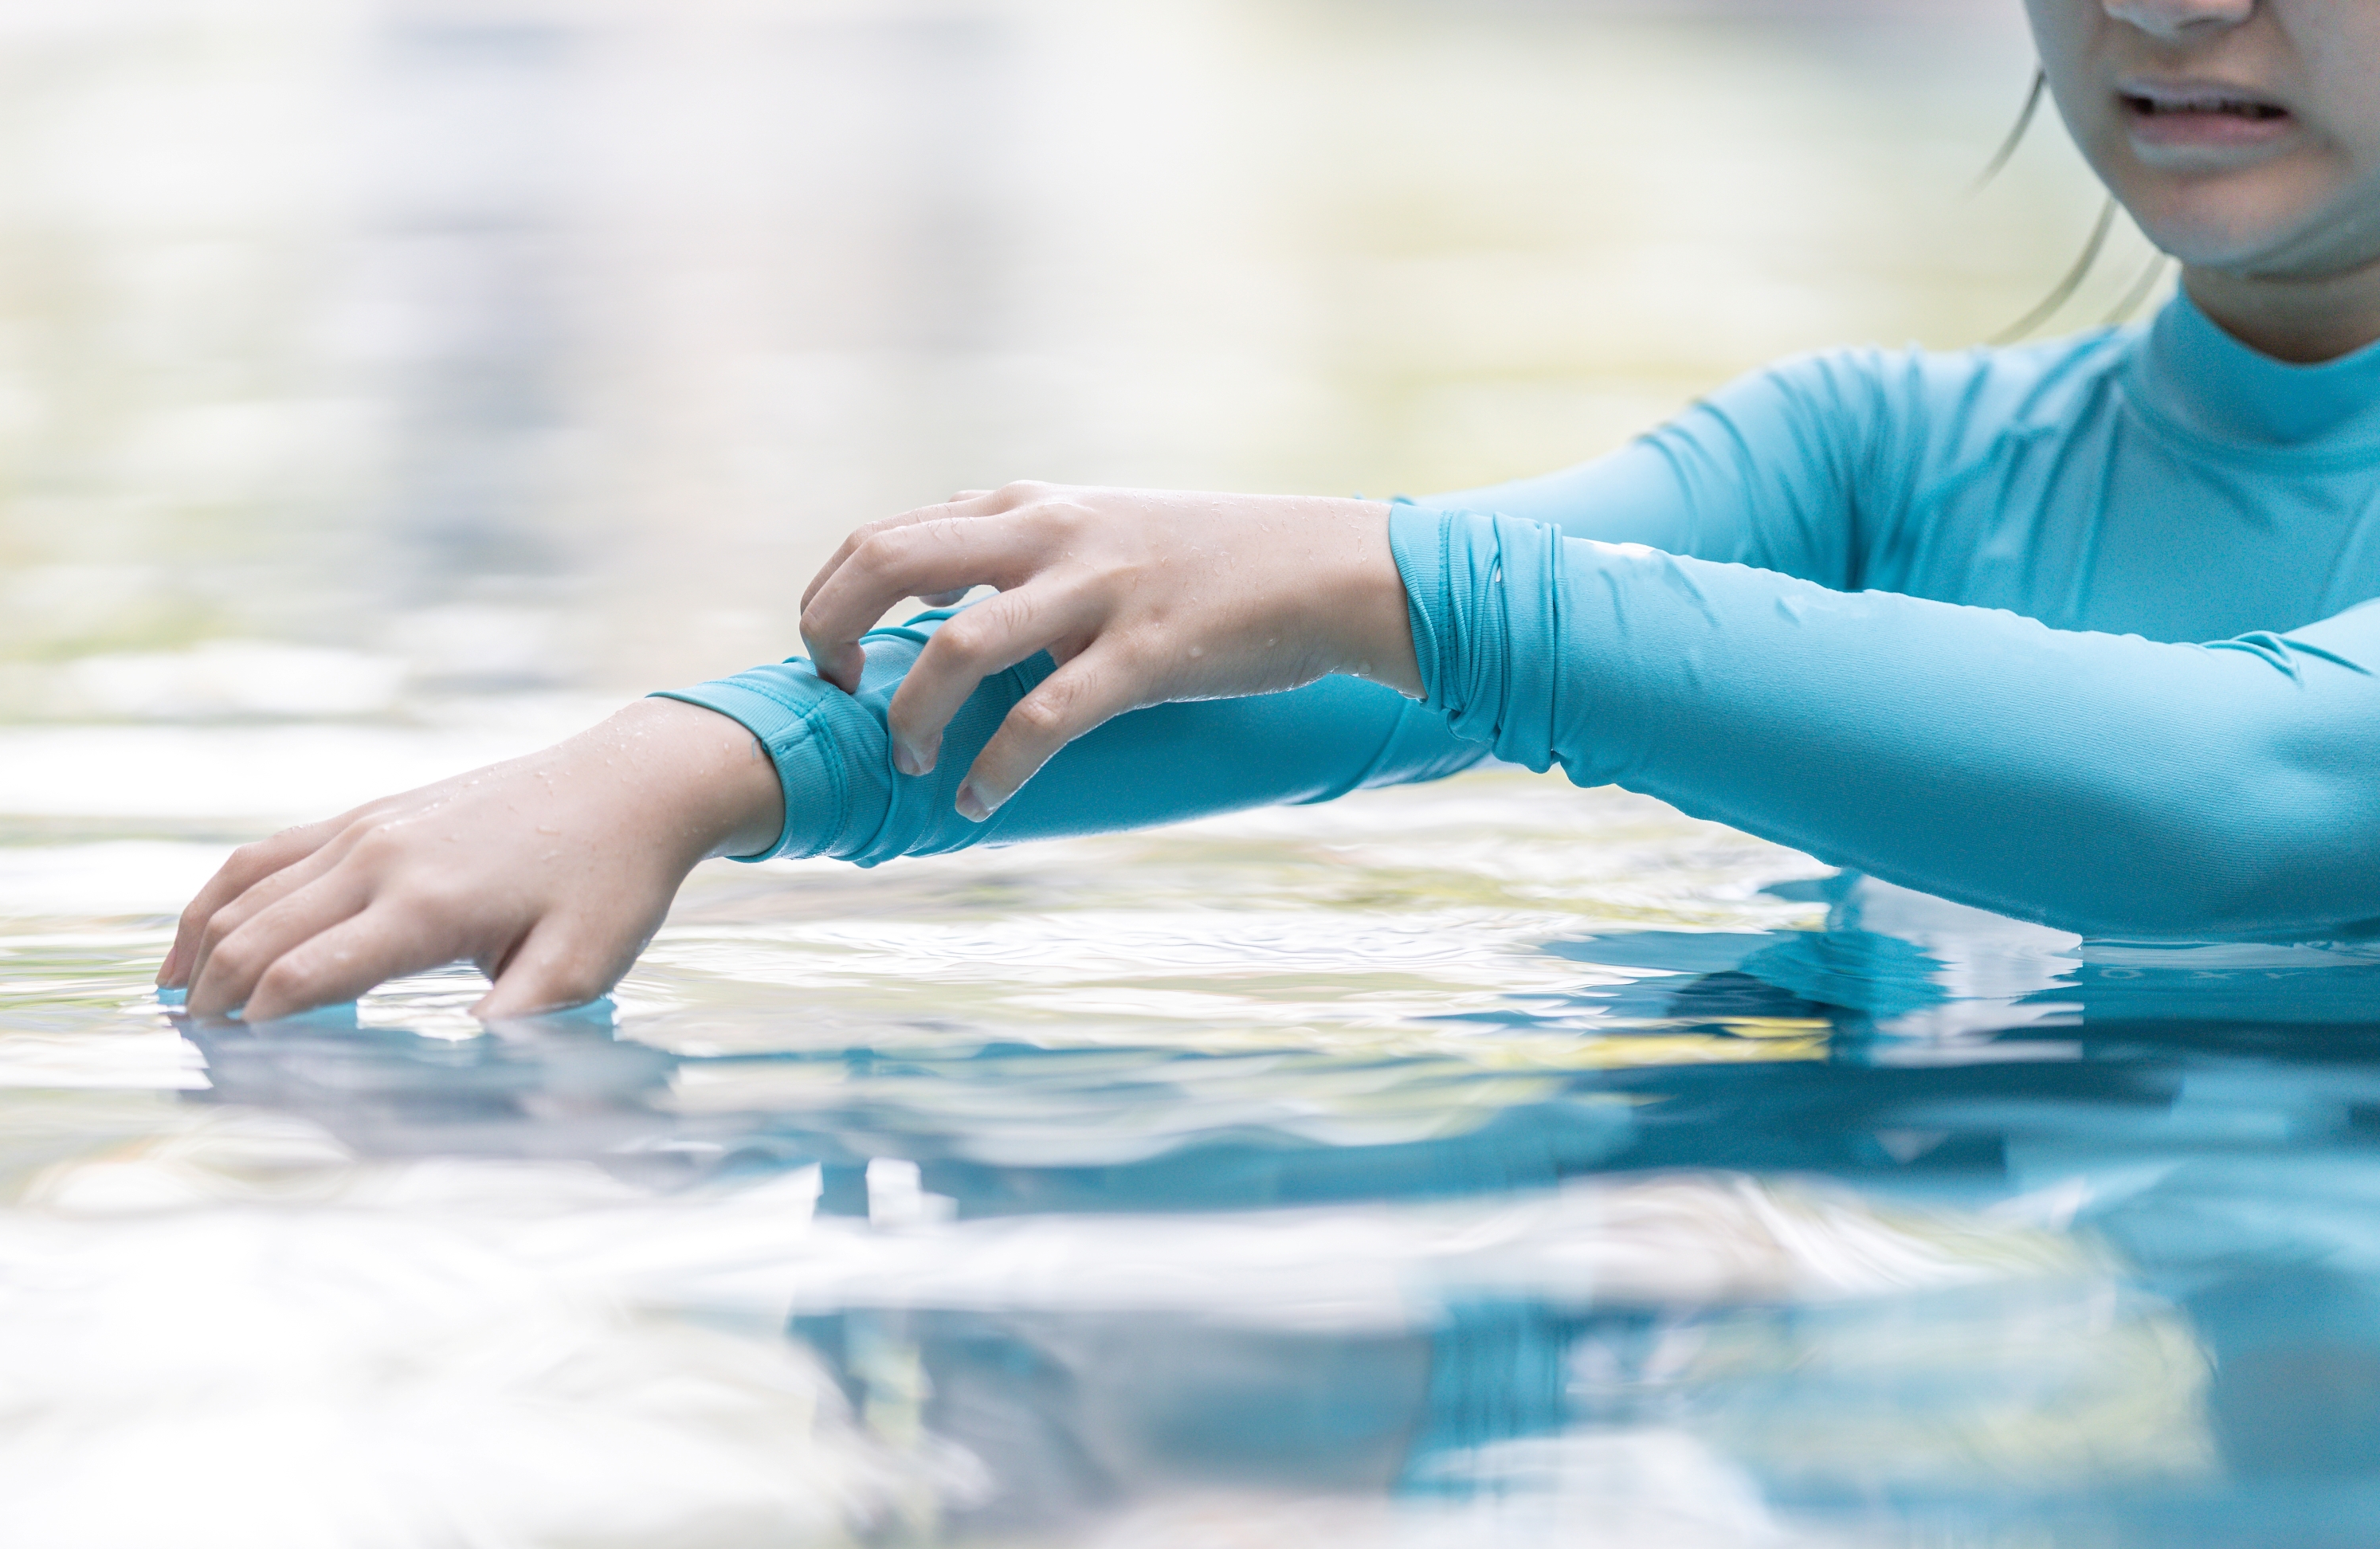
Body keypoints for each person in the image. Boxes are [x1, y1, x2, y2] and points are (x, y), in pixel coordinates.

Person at [163, 0, 2380, 1024]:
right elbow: (1316, 664)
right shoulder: (1892, 461)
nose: (2175, 6)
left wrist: (1397, 583)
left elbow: (2263, 796)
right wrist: (700, 764)